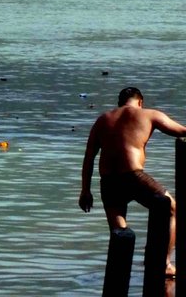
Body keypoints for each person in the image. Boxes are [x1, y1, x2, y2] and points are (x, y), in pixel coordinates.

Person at [80, 86, 186, 277]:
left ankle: (118, 278)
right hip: (133, 177)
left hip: (108, 181)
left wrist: (85, 190)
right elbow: (181, 131)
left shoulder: (102, 120)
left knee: (120, 233)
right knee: (171, 208)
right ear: (140, 102)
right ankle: (164, 264)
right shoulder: (149, 114)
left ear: (120, 103)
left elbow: (89, 157)